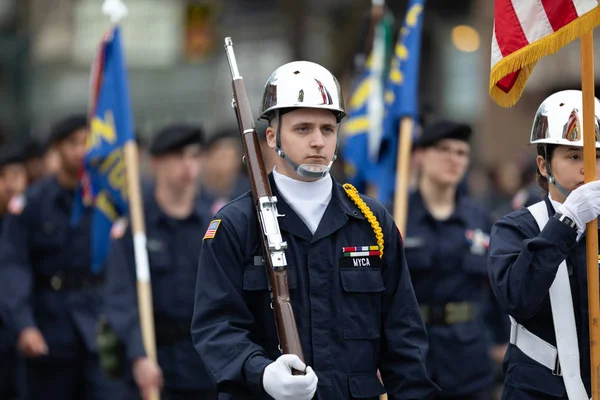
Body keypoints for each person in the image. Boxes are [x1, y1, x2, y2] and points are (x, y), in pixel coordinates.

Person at [191, 61, 439, 399]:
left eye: (327, 128)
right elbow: (216, 326)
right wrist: (260, 371)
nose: (319, 141)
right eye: (303, 129)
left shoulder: (370, 221)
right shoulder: (236, 224)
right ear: (272, 136)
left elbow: (404, 335)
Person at [0, 114, 124, 400]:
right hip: (50, 329)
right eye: (73, 143)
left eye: (87, 142)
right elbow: (13, 266)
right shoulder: (33, 203)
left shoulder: (108, 200)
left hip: (101, 328)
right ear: (57, 148)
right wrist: (24, 324)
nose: (81, 151)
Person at [488, 90, 600, 399]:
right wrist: (567, 222)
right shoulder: (515, 227)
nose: (587, 168)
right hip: (539, 388)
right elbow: (517, 297)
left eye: (596, 156)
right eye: (574, 156)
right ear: (543, 165)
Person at [104, 124, 216, 400]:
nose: (188, 166)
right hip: (155, 364)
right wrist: (138, 356)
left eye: (194, 156)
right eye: (177, 156)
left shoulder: (216, 223)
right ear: (156, 163)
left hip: (208, 364)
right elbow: (121, 299)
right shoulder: (135, 226)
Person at [404, 120, 508, 399]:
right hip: (412, 352)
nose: (454, 159)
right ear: (420, 156)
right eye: (444, 150)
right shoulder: (396, 216)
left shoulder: (480, 218)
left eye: (461, 153)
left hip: (470, 353)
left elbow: (496, 281)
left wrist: (501, 339)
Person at [0, 145, 29, 400]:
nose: (12, 185)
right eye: (4, 177)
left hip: (20, 333)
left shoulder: (29, 220)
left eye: (18, 176)